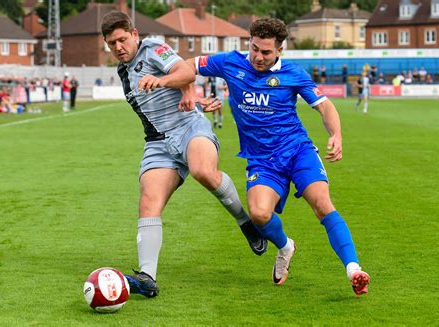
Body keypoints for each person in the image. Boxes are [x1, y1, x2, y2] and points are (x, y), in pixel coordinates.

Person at [181, 18, 370, 295]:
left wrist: (336, 135)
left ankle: (354, 270)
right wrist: (191, 93)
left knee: (322, 204)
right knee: (258, 214)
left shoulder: (294, 74)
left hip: (297, 151)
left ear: (279, 50)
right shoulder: (230, 62)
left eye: (266, 52)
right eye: (254, 48)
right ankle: (285, 247)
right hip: (262, 160)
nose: (258, 56)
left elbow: (325, 107)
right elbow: (186, 65)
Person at [100, 11, 267, 298]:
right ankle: (147, 277)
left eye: (122, 39)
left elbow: (185, 70)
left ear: (135, 35)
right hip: (158, 143)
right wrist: (189, 93)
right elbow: (172, 92)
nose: (118, 47)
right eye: (111, 43)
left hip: (189, 126)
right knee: (148, 200)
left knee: (203, 171)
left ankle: (245, 222)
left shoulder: (153, 49)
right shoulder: (123, 72)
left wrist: (167, 82)